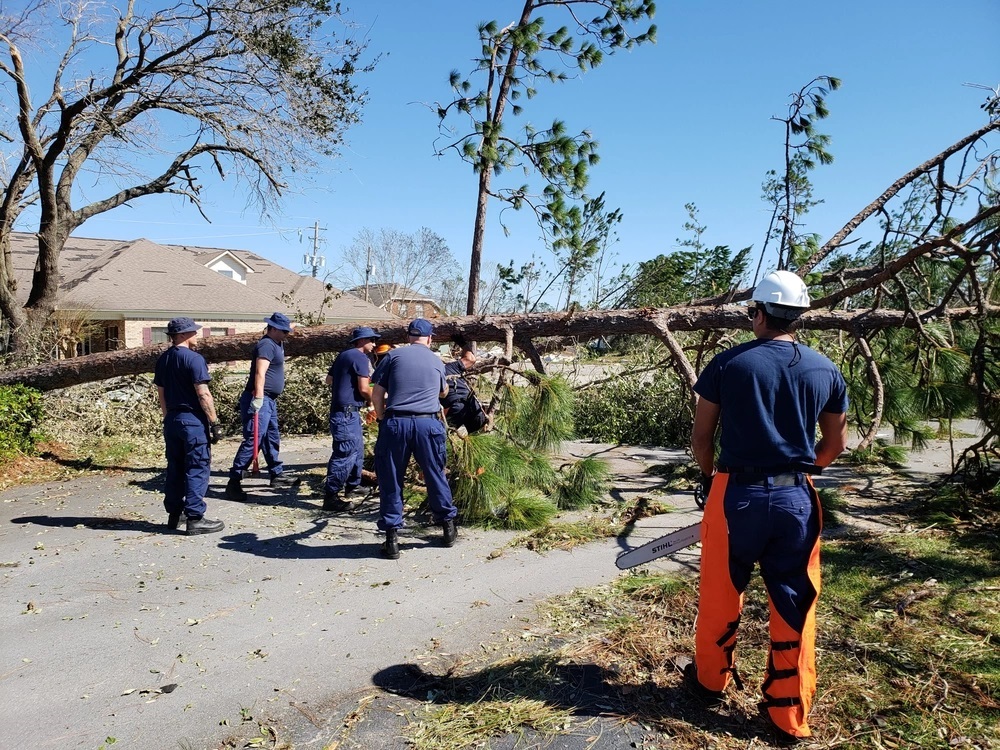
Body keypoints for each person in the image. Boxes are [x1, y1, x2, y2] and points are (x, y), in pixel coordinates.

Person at [688, 270, 849, 743]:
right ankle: (787, 712)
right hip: (797, 497)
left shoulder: (728, 364)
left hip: (735, 494)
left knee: (721, 592)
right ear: (798, 316)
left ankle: (710, 682)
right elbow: (835, 443)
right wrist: (802, 470)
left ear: (757, 312)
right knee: (796, 599)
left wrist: (708, 477)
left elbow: (702, 438)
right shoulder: (825, 369)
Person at [370, 318, 458, 559]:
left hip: (396, 422)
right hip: (427, 424)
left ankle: (392, 538)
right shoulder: (436, 361)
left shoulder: (392, 357)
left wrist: (380, 418)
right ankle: (448, 527)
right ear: (430, 339)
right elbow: (443, 392)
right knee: (434, 473)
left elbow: (377, 394)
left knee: (391, 478)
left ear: (408, 336)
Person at [153, 317, 225, 535]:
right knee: (197, 466)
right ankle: (195, 517)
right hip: (192, 421)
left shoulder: (163, 359)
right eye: (194, 332)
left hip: (173, 420)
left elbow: (161, 394)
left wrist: (168, 418)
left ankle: (175, 513)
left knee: (175, 467)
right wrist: (214, 423)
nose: (198, 335)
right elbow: (203, 393)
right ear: (183, 335)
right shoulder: (194, 359)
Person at [225, 312, 298, 501]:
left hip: (270, 400)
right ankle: (234, 481)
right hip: (260, 398)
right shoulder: (266, 345)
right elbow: (260, 373)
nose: (286, 334)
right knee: (254, 440)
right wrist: (257, 398)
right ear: (272, 329)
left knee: (271, 437)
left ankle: (277, 474)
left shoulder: (278, 342)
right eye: (283, 331)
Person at [323, 326, 380, 512]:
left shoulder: (344, 355)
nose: (374, 344)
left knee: (357, 449)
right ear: (362, 341)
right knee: (346, 453)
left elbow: (329, 380)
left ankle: (353, 485)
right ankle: (331, 496)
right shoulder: (360, 357)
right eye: (372, 340)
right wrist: (374, 402)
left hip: (346, 411)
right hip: (346, 413)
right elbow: (364, 388)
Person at [441, 347, 487, 433]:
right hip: (473, 405)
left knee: (442, 436)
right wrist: (463, 344)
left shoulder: (429, 377)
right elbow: (471, 359)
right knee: (479, 439)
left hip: (455, 408)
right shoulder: (450, 367)